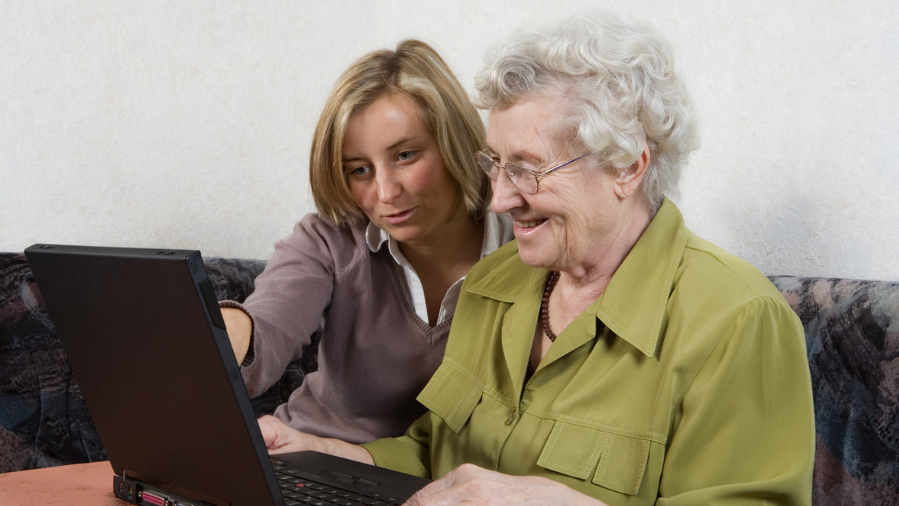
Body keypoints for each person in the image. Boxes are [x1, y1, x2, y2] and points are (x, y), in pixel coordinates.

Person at [257, 12, 816, 506]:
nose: (499, 197)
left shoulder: (739, 321)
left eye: (528, 168)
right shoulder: (491, 283)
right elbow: (432, 453)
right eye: (496, 164)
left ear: (627, 166)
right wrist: (326, 452)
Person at [220, 40, 513, 444]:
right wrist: (222, 333)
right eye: (360, 170)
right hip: (305, 456)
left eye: (406, 155)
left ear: (454, 143)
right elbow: (269, 327)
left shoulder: (527, 245)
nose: (386, 192)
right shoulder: (328, 240)